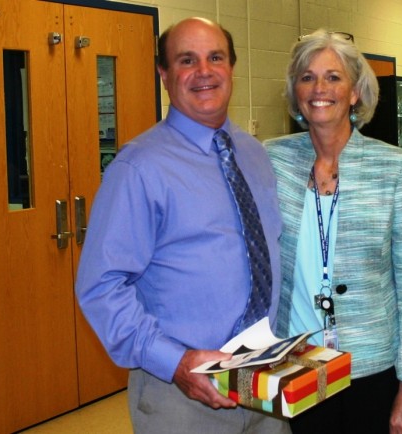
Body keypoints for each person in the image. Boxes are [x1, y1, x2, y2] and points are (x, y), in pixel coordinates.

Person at [76, 17, 289, 434]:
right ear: (164, 74)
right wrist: (173, 362)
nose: (204, 72)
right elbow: (101, 285)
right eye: (186, 60)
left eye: (215, 58)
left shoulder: (254, 154)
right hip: (182, 395)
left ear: (231, 67)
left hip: (262, 379)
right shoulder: (139, 167)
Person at [264, 29, 402, 434]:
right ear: (295, 93)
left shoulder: (393, 167)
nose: (319, 88)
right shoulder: (273, 159)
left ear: (355, 92)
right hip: (296, 362)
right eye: (306, 77)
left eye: (333, 77)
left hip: (372, 365)